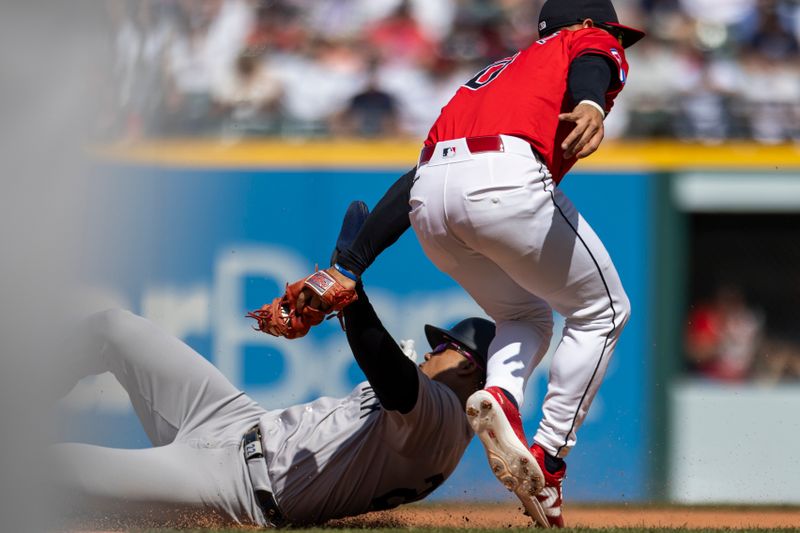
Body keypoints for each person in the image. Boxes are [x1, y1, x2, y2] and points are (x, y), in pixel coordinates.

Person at [300, 0, 644, 527]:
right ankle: (549, 458)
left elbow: (417, 177)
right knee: (603, 312)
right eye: (608, 29)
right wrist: (593, 104)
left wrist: (349, 265)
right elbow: (597, 55)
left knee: (526, 316)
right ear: (584, 23)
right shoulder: (581, 41)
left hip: (431, 202)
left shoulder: (488, 79)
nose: (615, 38)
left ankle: (501, 396)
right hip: (504, 180)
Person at [48, 202, 493, 528]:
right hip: (236, 419)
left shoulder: (443, 420)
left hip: (233, 487)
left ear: (471, 369)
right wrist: (339, 293)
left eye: (447, 347)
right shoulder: (434, 414)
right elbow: (389, 368)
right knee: (114, 327)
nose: (434, 352)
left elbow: (387, 370)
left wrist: (345, 283)